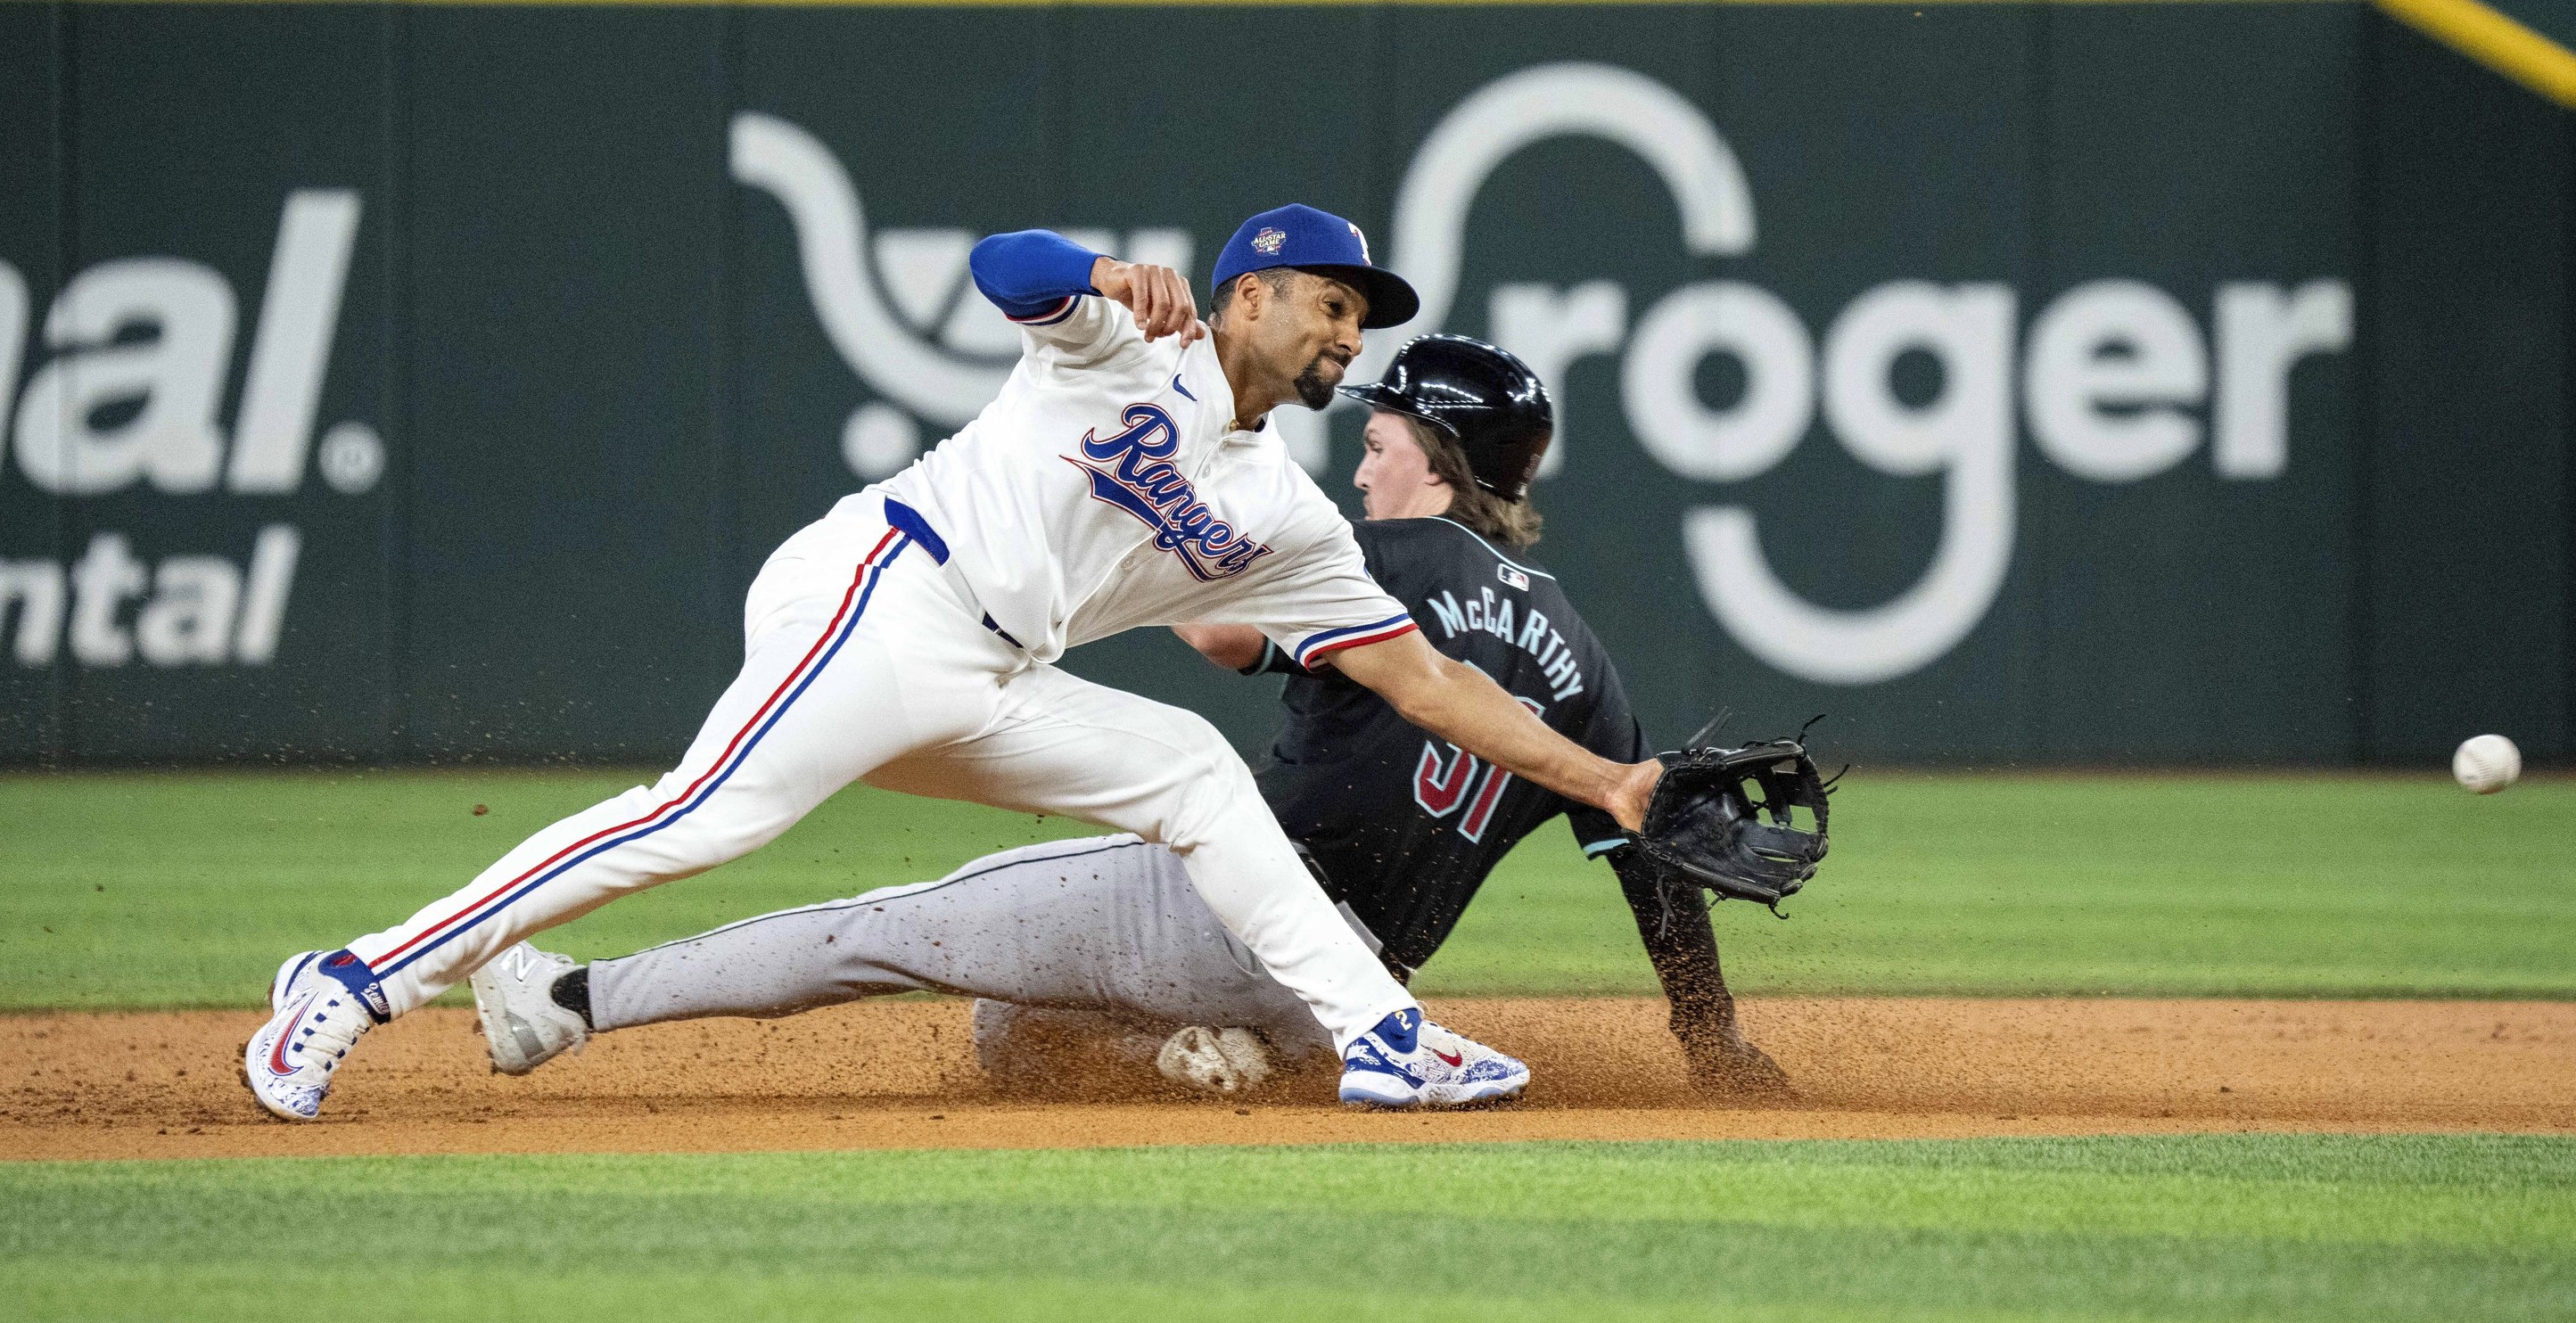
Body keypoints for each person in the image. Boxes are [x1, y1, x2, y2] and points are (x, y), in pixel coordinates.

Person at [245, 210, 1669, 1122]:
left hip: (991, 675)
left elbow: (1428, 682)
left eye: (1364, 319)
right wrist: (1090, 267)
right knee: (704, 818)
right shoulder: (1134, 344)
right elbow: (1000, 267)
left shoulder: (1282, 513)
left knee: (1189, 768)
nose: (1350, 335)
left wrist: (1606, 777)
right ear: (1247, 298)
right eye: (1328, 303)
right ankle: (354, 978)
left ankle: (1384, 1040)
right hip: (886, 592)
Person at [468, 337, 1790, 1103]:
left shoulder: (1364, 560)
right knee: (1012, 1031)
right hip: (1354, 987)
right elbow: (1654, 873)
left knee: (878, 935)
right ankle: (1203, 1055)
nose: (1368, 450)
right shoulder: (1587, 658)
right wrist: (1709, 1041)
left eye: (1386, 432)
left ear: (1439, 460)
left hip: (1230, 908)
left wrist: (1152, 527)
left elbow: (1219, 633)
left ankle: (566, 998)